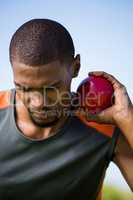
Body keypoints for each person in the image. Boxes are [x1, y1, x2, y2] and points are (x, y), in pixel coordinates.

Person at [0, 19, 132, 200]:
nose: (38, 103)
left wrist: (128, 119)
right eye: (24, 88)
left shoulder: (106, 128)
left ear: (75, 67)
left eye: (52, 87)